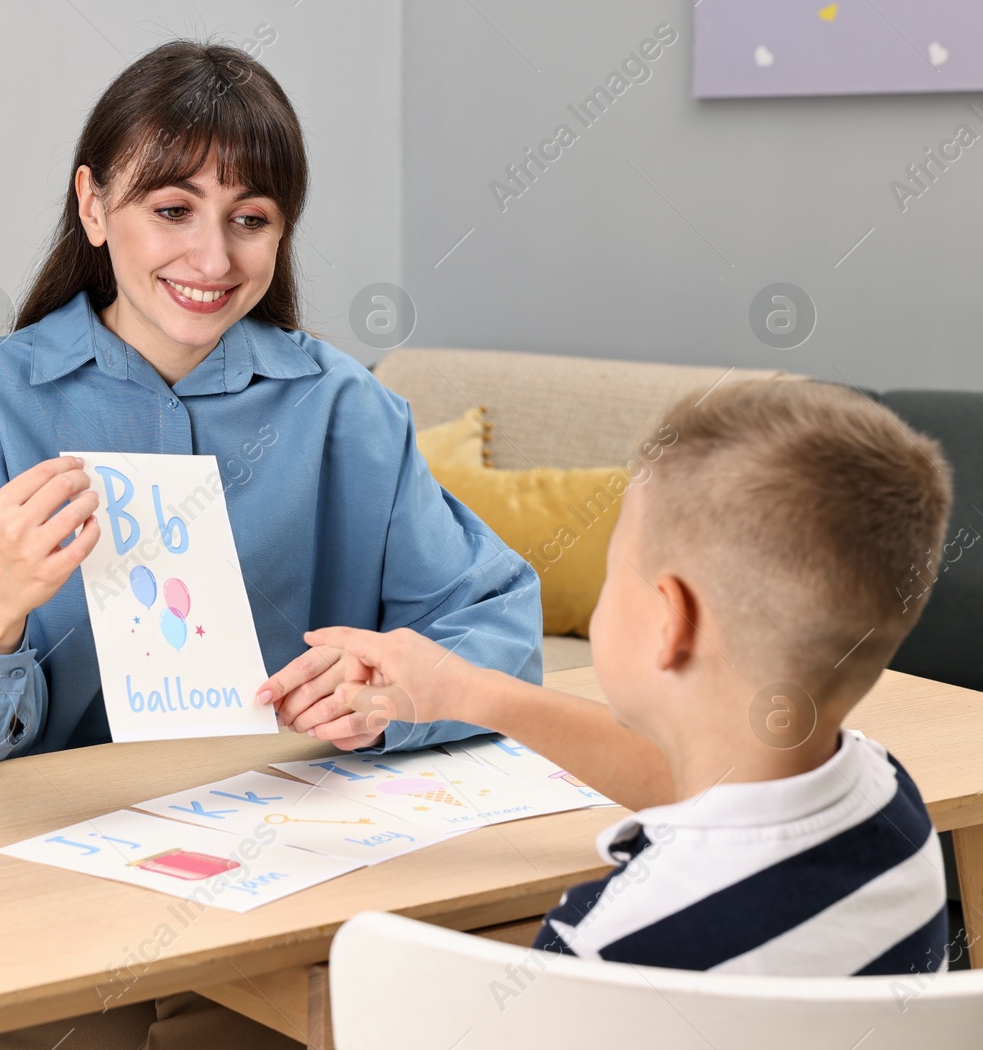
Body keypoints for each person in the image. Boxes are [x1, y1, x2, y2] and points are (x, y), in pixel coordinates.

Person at [0, 37, 543, 1049]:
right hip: (28, 874)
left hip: (277, 867)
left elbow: (498, 626)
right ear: (94, 205)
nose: (211, 257)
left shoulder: (343, 407)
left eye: (250, 219)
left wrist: (393, 692)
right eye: (172, 208)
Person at [298, 378, 954, 975]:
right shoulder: (893, 803)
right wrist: (470, 691)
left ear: (671, 620)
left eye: (615, 570)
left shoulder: (605, 944)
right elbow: (698, 785)